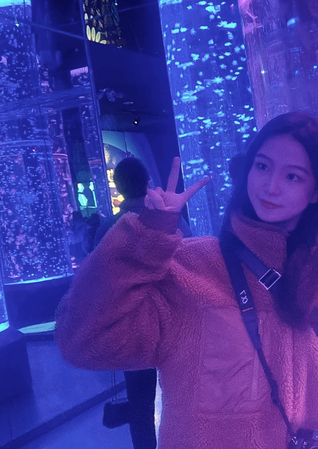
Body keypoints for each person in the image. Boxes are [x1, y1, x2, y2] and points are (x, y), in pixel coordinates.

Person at [56, 112, 318, 449]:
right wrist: (147, 235)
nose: (271, 186)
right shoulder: (191, 266)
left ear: (317, 190)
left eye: (292, 176)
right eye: (262, 166)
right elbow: (84, 342)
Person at [94, 157, 190, 449]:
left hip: (132, 331)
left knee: (140, 403)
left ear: (119, 187)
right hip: (177, 324)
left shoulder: (109, 229)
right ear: (149, 182)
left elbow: (100, 284)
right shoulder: (174, 221)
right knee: (184, 395)